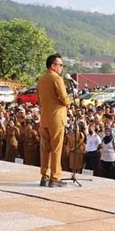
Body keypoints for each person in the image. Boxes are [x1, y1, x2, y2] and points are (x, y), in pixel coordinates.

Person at [37, 53, 70, 187]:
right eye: (60, 65)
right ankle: (55, 178)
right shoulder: (56, 79)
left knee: (45, 149)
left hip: (44, 118)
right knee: (56, 149)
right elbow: (64, 98)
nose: (61, 67)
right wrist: (69, 101)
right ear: (53, 65)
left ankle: (44, 176)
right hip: (56, 119)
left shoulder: (41, 79)